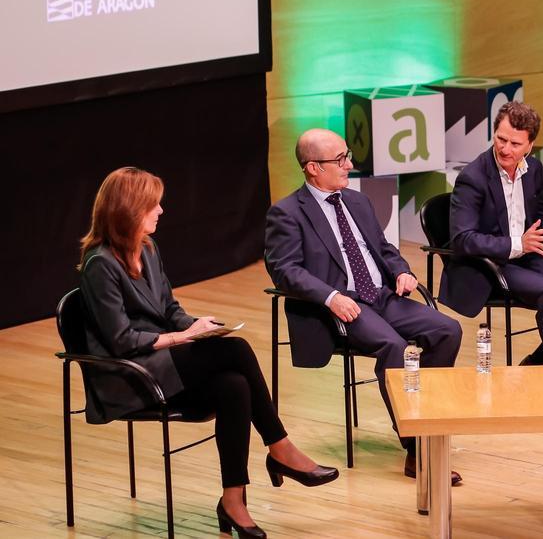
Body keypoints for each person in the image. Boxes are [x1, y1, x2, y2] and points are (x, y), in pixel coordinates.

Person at [78, 167, 338, 539]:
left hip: (163, 361)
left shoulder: (147, 250)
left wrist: (197, 324)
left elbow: (169, 308)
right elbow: (120, 340)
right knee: (236, 349)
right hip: (131, 375)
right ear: (129, 210)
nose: (161, 210)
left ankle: (234, 502)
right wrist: (184, 337)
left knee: (235, 386)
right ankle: (280, 448)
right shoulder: (99, 264)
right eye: (153, 204)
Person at [264, 129, 464, 484]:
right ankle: (417, 448)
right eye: (339, 160)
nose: (349, 165)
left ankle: (426, 420)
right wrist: (331, 297)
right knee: (395, 348)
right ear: (312, 167)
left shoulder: (356, 201)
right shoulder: (287, 213)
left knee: (448, 330)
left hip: (382, 295)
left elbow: (384, 249)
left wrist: (402, 272)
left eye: (347, 156)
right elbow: (285, 270)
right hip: (341, 306)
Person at [440, 102, 543, 365]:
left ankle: (542, 358)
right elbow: (463, 240)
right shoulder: (473, 177)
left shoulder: (534, 170)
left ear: (530, 145)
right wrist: (518, 243)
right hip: (491, 264)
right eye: (501, 139)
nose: (505, 149)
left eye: (515, 144)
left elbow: (540, 218)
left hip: (528, 258)